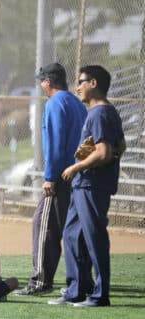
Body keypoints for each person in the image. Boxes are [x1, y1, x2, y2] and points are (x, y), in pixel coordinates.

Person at [49, 65, 125, 307]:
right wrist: (94, 157)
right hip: (84, 186)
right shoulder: (104, 112)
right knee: (72, 236)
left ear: (93, 84)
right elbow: (119, 146)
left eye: (81, 81)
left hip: (91, 185)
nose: (77, 87)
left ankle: (99, 295)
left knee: (94, 238)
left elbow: (104, 152)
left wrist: (76, 167)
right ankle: (76, 290)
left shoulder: (99, 113)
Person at [15, 63, 87, 296]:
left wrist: (50, 177)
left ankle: (41, 281)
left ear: (49, 82)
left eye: (42, 81)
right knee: (72, 229)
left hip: (61, 175)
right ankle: (83, 281)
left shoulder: (56, 103)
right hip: (77, 173)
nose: (41, 85)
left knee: (43, 226)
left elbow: (56, 144)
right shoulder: (76, 102)